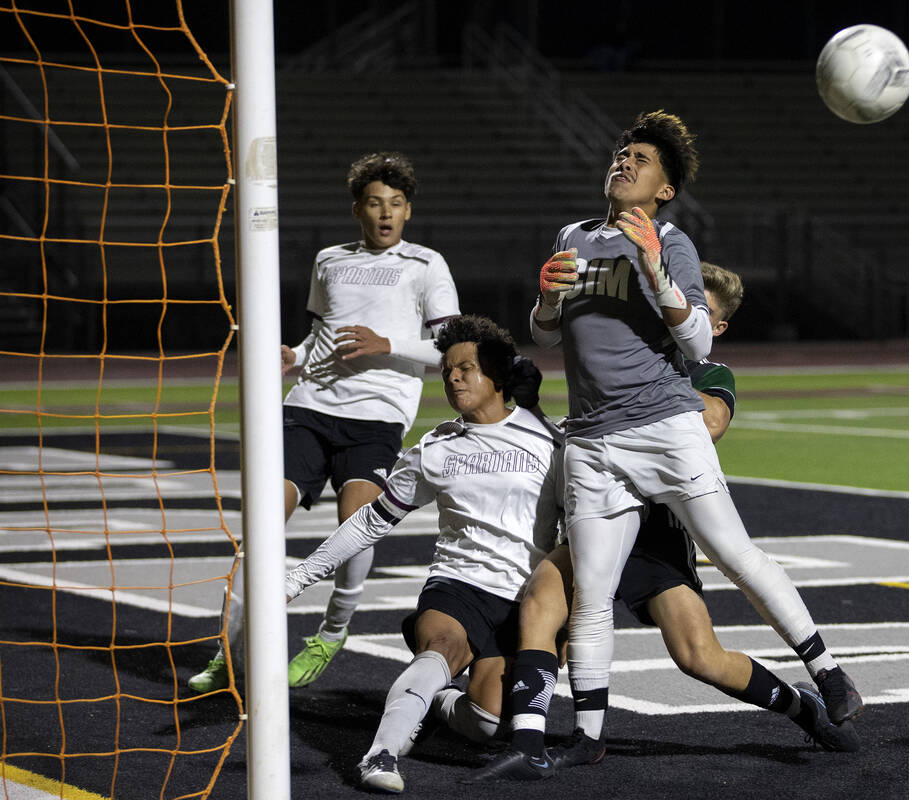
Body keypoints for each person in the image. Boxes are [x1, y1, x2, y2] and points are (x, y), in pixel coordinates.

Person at [471, 111, 863, 779]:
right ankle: (587, 734)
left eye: (642, 159)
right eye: (623, 151)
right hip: (593, 439)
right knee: (592, 595)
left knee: (732, 552)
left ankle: (826, 674)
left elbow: (700, 344)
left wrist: (653, 266)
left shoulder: (673, 240)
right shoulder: (572, 236)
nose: (625, 161)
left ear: (664, 190)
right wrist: (543, 302)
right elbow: (544, 335)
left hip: (663, 428)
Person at [188, 152, 461, 693]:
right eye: (376, 204)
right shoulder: (329, 259)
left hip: (377, 419)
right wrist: (295, 352)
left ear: (408, 211)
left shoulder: (427, 265)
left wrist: (388, 345)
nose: (387, 214)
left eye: (397, 204)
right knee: (259, 530)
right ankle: (232, 649)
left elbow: (452, 345)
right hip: (307, 407)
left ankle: (331, 633)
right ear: (358, 209)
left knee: (355, 530)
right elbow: (323, 331)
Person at [283, 315, 562, 793]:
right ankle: (379, 755)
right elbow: (372, 521)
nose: (452, 377)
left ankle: (436, 704)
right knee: (443, 649)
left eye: (466, 368)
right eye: (447, 370)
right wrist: (299, 577)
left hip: (526, 598)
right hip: (458, 585)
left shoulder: (550, 441)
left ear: (496, 376)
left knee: (489, 724)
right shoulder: (434, 448)